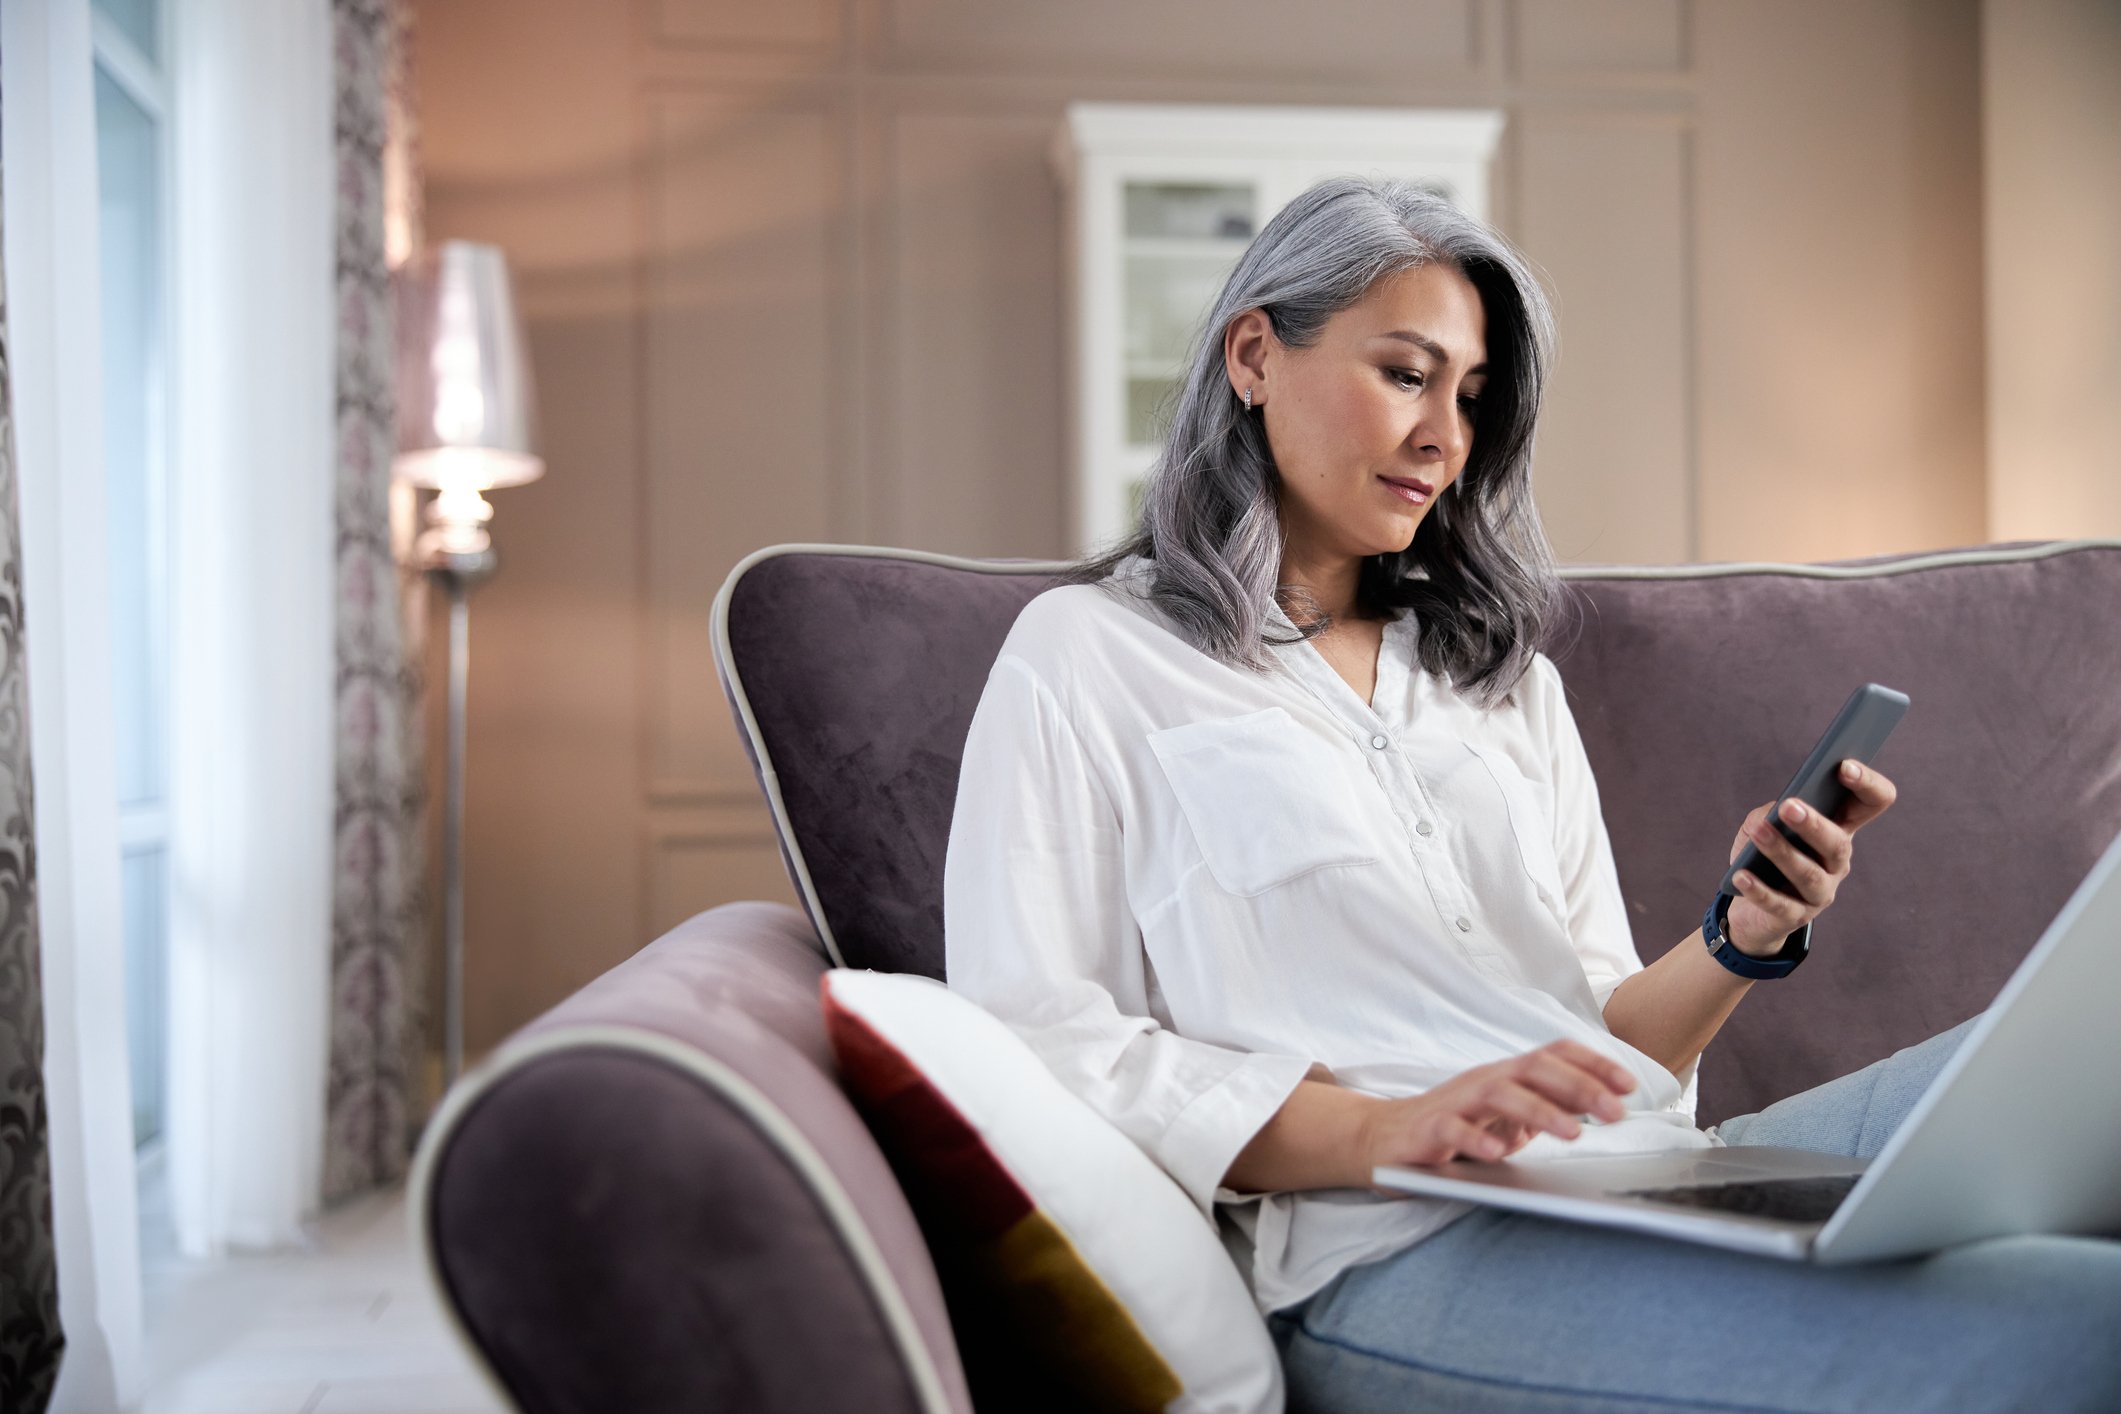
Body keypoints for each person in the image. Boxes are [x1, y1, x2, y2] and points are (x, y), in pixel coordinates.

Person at [941, 176, 2121, 1411]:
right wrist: (1391, 1128)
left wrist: (1741, 934)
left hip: (1647, 1170)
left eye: (1471, 397)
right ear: (1253, 354)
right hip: (1386, 1253)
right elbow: (1040, 1038)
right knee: (2078, 1321)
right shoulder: (1087, 654)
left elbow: (1607, 1046)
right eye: (1406, 373)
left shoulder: (1500, 683)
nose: (1445, 435)